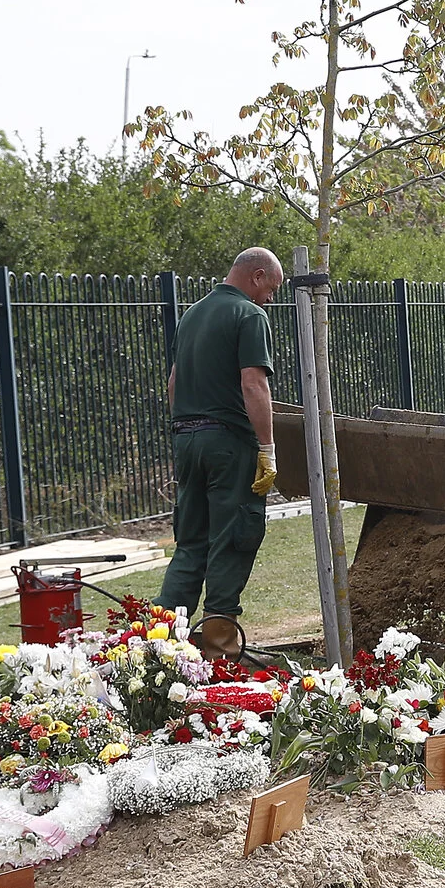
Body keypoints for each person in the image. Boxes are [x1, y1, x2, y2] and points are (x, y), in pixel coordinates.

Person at [157, 247, 283, 621]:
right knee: (235, 536)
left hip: (186, 438)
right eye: (271, 288)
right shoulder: (249, 314)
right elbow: (254, 385)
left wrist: (186, 433)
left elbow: (173, 383)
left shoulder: (191, 315)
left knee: (190, 543)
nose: (271, 298)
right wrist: (267, 448)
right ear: (256, 276)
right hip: (228, 444)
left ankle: (159, 644)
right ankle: (219, 638)